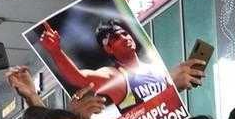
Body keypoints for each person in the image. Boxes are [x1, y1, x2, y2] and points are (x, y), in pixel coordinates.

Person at [39, 18, 188, 108]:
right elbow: (78, 77)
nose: (124, 38)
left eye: (125, 34)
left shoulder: (155, 68)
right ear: (108, 48)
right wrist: (56, 51)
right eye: (116, 38)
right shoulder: (115, 76)